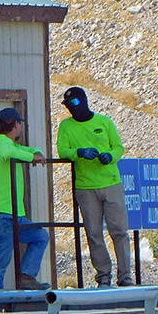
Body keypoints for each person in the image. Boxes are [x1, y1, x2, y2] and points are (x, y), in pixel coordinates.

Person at [56, 86, 133, 288]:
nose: (71, 108)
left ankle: (125, 275)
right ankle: (103, 275)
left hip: (110, 183)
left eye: (74, 103)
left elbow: (118, 147)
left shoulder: (104, 122)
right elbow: (63, 150)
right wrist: (79, 153)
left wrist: (110, 156)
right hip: (85, 186)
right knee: (94, 233)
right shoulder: (66, 126)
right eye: (68, 105)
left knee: (119, 230)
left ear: (84, 101)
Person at [0, 107, 50, 290]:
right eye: (20, 123)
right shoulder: (1, 143)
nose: (21, 127)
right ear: (15, 124)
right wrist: (31, 158)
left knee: (40, 236)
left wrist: (34, 154)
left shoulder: (8, 144)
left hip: (12, 215)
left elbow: (26, 149)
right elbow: (8, 153)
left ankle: (27, 276)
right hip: (0, 215)